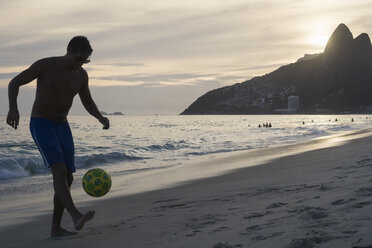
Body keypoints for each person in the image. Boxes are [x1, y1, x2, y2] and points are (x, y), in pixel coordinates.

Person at [6, 36, 110, 237]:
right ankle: (75, 215)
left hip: (63, 125)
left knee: (68, 176)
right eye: (79, 59)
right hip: (41, 123)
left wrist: (100, 117)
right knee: (59, 170)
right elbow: (14, 82)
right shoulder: (46, 66)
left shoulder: (81, 75)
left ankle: (56, 228)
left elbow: (87, 101)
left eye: (85, 60)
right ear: (69, 51)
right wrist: (13, 108)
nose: (81, 64)